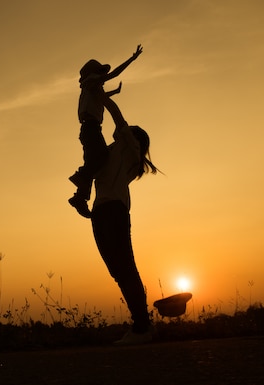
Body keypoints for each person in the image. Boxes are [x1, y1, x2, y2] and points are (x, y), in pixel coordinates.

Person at [90, 94, 159, 345]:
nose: (118, 132)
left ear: (134, 140)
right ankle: (142, 324)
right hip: (99, 212)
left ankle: (142, 328)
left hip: (114, 212)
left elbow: (119, 120)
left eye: (126, 132)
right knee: (119, 272)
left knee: (126, 269)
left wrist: (103, 97)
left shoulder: (129, 151)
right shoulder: (112, 152)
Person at [69, 45, 143, 218]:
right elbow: (114, 74)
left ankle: (80, 197)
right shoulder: (90, 84)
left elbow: (102, 97)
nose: (103, 78)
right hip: (90, 129)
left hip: (90, 129)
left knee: (96, 160)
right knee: (101, 157)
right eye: (100, 74)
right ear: (92, 75)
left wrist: (115, 92)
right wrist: (132, 59)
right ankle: (80, 181)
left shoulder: (92, 89)